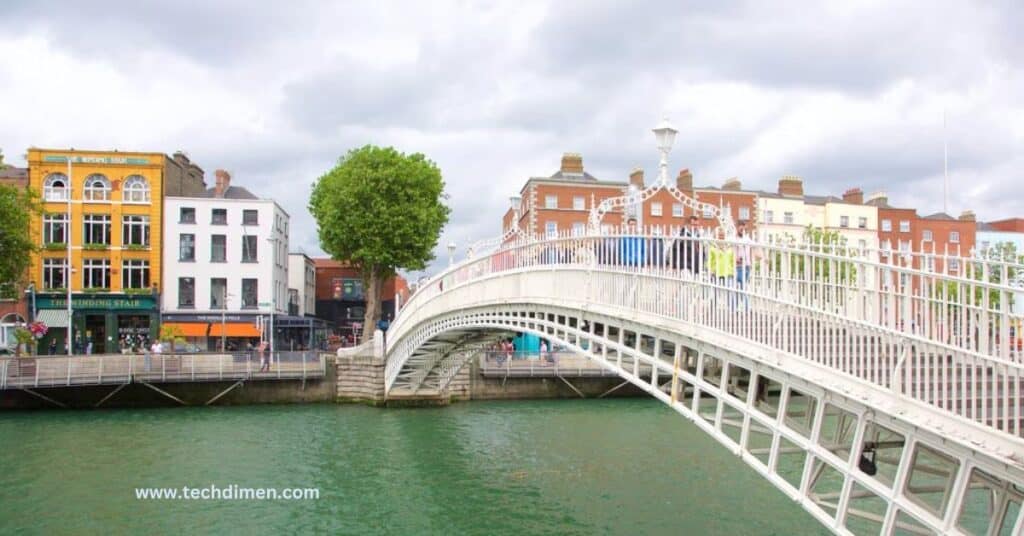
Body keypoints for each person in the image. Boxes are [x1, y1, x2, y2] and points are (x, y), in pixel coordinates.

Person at [734, 222, 753, 311]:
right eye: (741, 229)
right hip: (739, 266)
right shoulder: (734, 239)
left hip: (747, 266)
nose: (743, 231)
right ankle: (746, 307)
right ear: (737, 228)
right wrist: (735, 258)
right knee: (742, 287)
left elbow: (755, 247)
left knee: (742, 287)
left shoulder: (747, 239)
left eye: (744, 229)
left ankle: (737, 307)